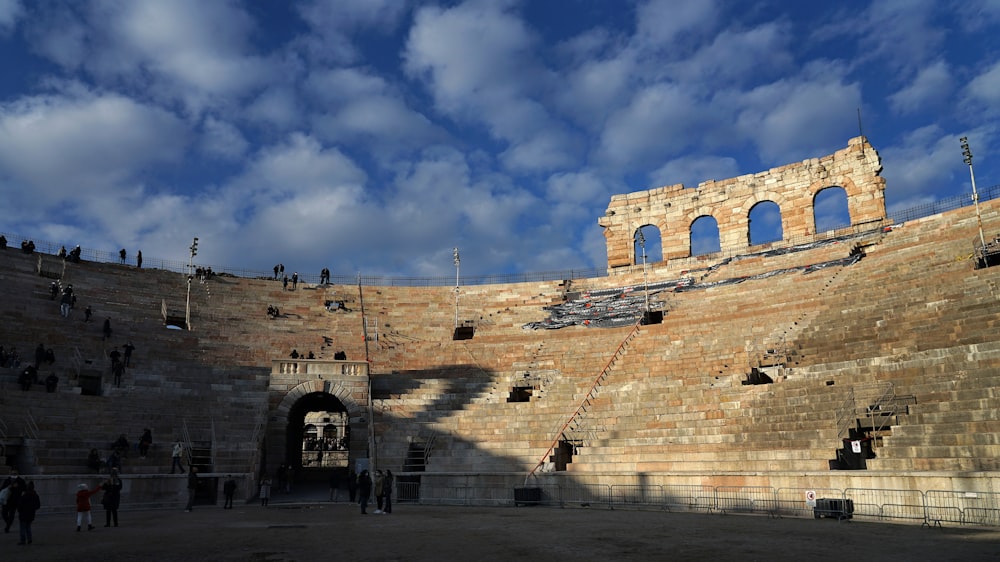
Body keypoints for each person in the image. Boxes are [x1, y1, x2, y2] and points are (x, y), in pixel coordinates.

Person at [16, 480, 40, 545]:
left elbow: (20, 505)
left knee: (23, 528)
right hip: (31, 514)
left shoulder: (24, 496)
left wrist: (20, 510)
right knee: (28, 527)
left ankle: (23, 540)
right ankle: (29, 539)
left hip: (23, 514)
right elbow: (38, 506)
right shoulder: (35, 495)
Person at [2, 468, 26, 532]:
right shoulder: (7, 480)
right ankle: (8, 523)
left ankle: (7, 527)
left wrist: (18, 487)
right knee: (4, 514)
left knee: (11, 515)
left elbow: (24, 490)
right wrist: (9, 486)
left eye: (15, 473)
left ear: (17, 474)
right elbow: (2, 488)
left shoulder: (21, 481)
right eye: (12, 473)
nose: (13, 475)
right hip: (6, 500)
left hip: (15, 501)